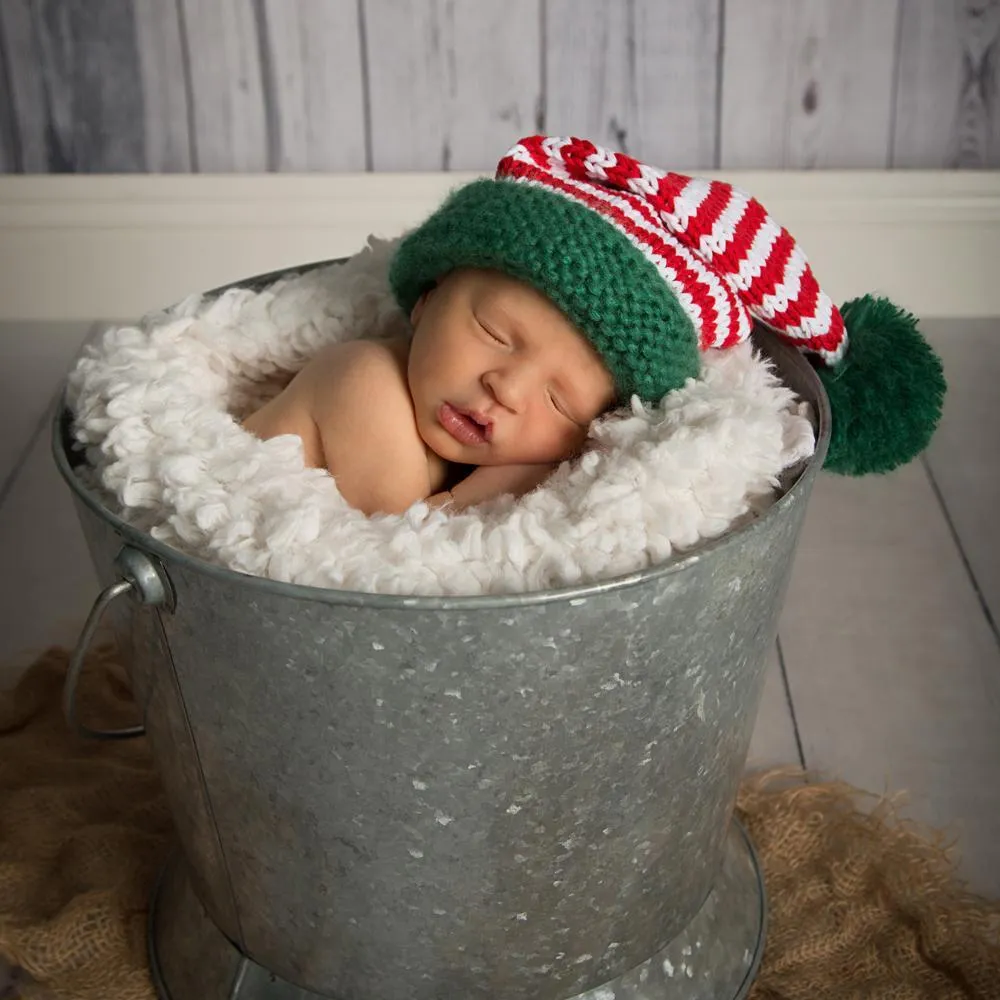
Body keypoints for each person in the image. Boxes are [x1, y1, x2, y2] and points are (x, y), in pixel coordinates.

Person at [244, 135, 947, 515]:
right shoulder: (362, 381)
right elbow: (404, 564)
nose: (507, 385)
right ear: (424, 300)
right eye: (494, 331)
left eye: (560, 401)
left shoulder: (500, 441)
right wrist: (516, 475)